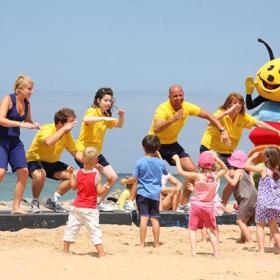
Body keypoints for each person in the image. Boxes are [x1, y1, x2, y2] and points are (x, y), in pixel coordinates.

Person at [147, 84, 230, 212]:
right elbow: (157, 127)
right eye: (175, 96)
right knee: (150, 173)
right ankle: (137, 202)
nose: (179, 98)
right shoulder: (163, 108)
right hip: (155, 142)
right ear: (169, 97)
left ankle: (183, 204)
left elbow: (208, 115)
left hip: (172, 143)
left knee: (193, 171)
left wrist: (222, 130)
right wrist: (173, 119)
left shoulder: (187, 107)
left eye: (181, 95)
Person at [200, 92, 280, 206]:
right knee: (212, 177)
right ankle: (207, 203)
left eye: (240, 103)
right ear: (228, 104)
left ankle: (222, 205)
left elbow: (259, 123)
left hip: (227, 153)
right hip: (210, 149)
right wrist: (227, 112)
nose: (238, 105)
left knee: (234, 178)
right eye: (234, 103)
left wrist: (276, 131)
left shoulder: (242, 117)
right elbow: (209, 122)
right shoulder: (221, 113)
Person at [75, 87, 125, 210]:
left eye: (110, 101)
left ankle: (98, 202)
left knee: (112, 177)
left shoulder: (105, 115)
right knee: (94, 176)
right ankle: (64, 196)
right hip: (84, 152)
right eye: (105, 100)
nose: (108, 103)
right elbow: (86, 119)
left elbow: (119, 125)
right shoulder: (92, 111)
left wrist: (122, 116)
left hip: (96, 154)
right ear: (98, 100)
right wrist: (104, 118)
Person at [26, 108, 82, 213]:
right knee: (40, 175)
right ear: (60, 123)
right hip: (34, 160)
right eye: (70, 123)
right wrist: (64, 130)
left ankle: (53, 201)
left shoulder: (67, 135)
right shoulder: (47, 129)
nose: (72, 126)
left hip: (52, 162)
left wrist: (91, 162)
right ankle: (35, 202)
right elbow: (48, 142)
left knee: (75, 175)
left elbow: (76, 153)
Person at [173, 151, 228, 257]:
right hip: (209, 207)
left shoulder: (197, 176)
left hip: (196, 206)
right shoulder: (215, 176)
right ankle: (216, 253)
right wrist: (217, 158)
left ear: (199, 164)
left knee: (192, 229)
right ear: (212, 164)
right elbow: (225, 169)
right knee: (211, 230)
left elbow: (181, 172)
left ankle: (194, 252)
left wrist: (176, 160)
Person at [0, 75, 40, 213]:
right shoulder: (8, 99)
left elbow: (27, 120)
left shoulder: (27, 103)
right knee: (0, 172)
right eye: (29, 89)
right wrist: (21, 124)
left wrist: (33, 124)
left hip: (15, 142)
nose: (31, 91)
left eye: (32, 89)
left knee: (23, 172)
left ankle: (16, 207)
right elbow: (1, 120)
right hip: (2, 141)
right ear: (19, 89)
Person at [120, 135, 168, 248]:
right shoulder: (160, 163)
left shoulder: (139, 162)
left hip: (142, 194)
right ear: (157, 148)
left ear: (143, 147)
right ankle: (156, 244)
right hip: (155, 195)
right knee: (155, 219)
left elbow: (134, 179)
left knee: (144, 218)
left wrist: (124, 181)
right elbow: (165, 173)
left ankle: (142, 243)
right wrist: (159, 157)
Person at [63, 147, 108, 257]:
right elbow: (100, 192)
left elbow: (73, 187)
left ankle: (65, 251)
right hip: (89, 208)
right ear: (97, 161)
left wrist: (72, 175)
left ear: (82, 159)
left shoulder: (77, 172)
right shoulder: (96, 174)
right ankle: (101, 253)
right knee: (94, 230)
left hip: (76, 206)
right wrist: (107, 185)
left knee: (71, 228)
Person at [244, 146, 280, 253]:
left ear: (267, 158)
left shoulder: (263, 170)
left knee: (260, 225)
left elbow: (246, 166)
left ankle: (261, 250)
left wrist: (252, 157)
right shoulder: (278, 171)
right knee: (274, 227)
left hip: (263, 203)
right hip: (275, 204)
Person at [224, 150, 257, 244]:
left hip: (246, 198)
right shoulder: (247, 172)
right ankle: (243, 238)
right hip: (253, 197)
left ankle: (250, 240)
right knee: (244, 220)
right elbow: (253, 185)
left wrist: (225, 175)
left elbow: (233, 183)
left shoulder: (238, 171)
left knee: (239, 221)